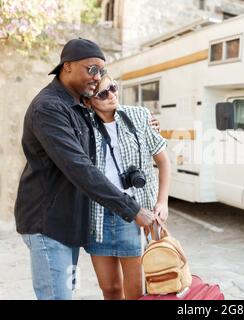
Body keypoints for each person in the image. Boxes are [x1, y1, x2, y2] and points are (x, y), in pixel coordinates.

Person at [14, 38, 158, 300]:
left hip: (67, 226)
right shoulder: (49, 108)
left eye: (101, 71)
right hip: (48, 225)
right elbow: (79, 167)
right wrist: (132, 209)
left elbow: (108, 117)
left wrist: (144, 123)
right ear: (67, 66)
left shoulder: (79, 105)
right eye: (92, 69)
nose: (97, 77)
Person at [82, 74, 170, 300]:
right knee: (110, 289)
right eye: (103, 93)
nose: (112, 95)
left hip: (135, 213)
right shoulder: (82, 125)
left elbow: (163, 161)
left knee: (136, 291)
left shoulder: (139, 116)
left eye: (113, 87)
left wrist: (163, 202)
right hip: (97, 215)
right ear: (89, 101)